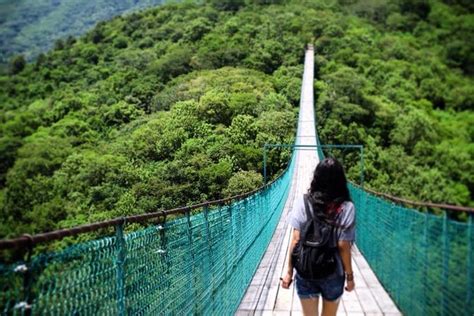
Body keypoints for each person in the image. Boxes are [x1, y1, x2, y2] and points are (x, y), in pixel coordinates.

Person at [280, 157, 355, 316]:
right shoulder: (346, 207)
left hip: (306, 268)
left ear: (316, 177)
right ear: (341, 180)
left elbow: (295, 239)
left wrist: (289, 271)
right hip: (333, 271)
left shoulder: (304, 201)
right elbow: (343, 245)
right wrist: (350, 277)